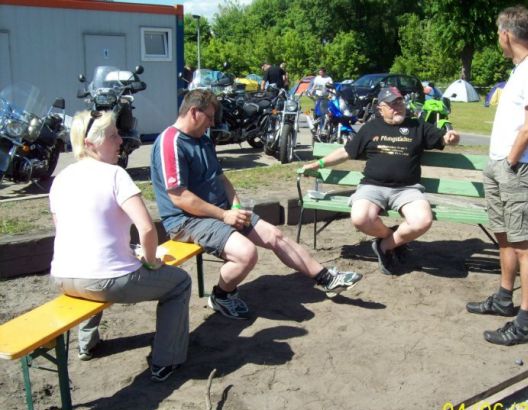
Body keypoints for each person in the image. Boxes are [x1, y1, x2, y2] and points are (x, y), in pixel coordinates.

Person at [150, 89, 362, 320]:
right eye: (209, 117)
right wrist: (224, 215)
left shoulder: (203, 140)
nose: (212, 123)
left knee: (275, 235)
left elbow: (221, 178)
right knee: (246, 253)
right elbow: (180, 197)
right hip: (187, 220)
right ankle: (221, 296)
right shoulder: (170, 143)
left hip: (219, 212)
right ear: (193, 112)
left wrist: (235, 206)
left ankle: (326, 278)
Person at [49, 110, 192, 382]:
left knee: (96, 274)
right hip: (106, 280)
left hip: (63, 277)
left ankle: (87, 344)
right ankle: (166, 360)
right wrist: (150, 261)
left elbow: (66, 232)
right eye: (112, 136)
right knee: (179, 283)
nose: (120, 141)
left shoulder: (61, 179)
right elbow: (147, 228)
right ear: (90, 144)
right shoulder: (114, 174)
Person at [466, 6, 528, 346]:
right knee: (504, 238)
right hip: (500, 165)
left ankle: (524, 324)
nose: (497, 40)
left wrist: (511, 160)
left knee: (524, 247)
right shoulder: (521, 69)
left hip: (516, 168)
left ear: (506, 34)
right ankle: (504, 298)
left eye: (497, 34)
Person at [303, 86, 460, 275]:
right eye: (392, 104)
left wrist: (451, 138)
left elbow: (444, 138)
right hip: (372, 187)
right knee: (360, 218)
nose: (398, 107)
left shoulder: (417, 125)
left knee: (422, 221)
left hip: (407, 189)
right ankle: (392, 236)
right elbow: (346, 152)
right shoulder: (371, 128)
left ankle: (385, 246)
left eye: (400, 102)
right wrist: (318, 164)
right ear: (380, 108)